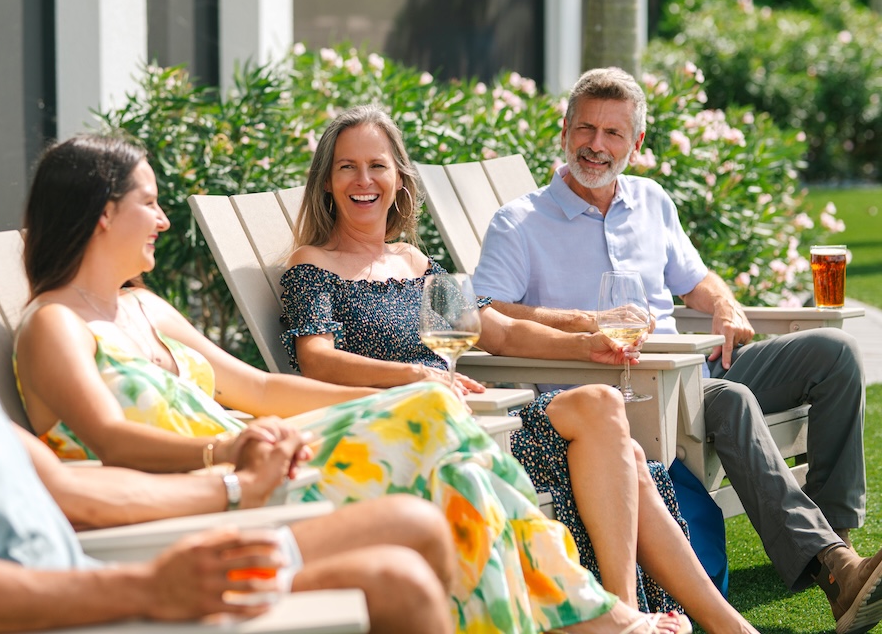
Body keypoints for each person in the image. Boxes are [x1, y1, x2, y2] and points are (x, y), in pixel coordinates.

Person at [0, 124, 461, 634]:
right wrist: (150, 587)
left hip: (102, 578)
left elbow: (69, 488)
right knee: (395, 580)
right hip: (90, 608)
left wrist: (231, 484)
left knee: (413, 527)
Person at [12, 134, 700, 634]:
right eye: (150, 204)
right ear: (104, 213)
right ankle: (589, 615)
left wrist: (394, 400)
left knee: (442, 436)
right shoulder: (54, 326)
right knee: (444, 444)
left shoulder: (145, 309)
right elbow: (110, 439)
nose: (163, 220)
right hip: (217, 491)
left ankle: (587, 615)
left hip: (265, 457)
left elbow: (261, 389)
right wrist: (229, 455)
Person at [277, 105, 757, 634]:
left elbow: (498, 331)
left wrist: (585, 346)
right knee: (632, 459)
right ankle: (672, 622)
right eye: (347, 167)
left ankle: (634, 610)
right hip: (418, 436)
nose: (364, 181)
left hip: (477, 418)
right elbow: (315, 358)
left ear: (399, 179)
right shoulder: (311, 265)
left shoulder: (414, 262)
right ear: (327, 182)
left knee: (601, 403)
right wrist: (416, 376)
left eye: (377, 166)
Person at [471, 66, 882, 634]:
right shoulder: (520, 222)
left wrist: (724, 305)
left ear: (636, 142)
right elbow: (485, 310)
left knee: (834, 352)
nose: (596, 145)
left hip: (696, 367)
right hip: (629, 389)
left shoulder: (651, 200)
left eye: (613, 133)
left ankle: (839, 550)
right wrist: (585, 322)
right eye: (585, 129)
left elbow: (697, 280)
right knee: (729, 398)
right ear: (564, 132)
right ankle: (834, 571)